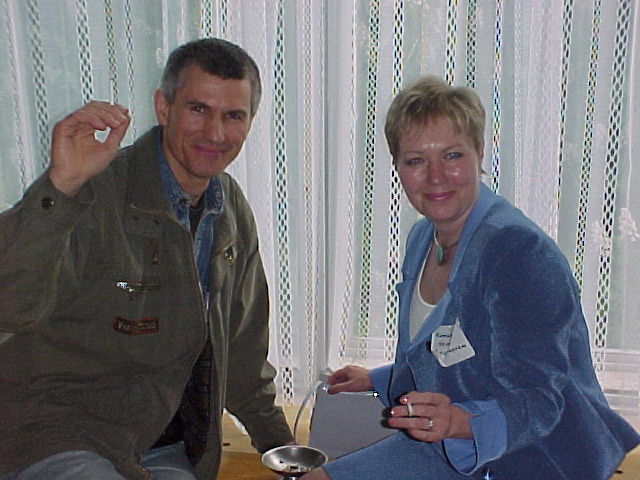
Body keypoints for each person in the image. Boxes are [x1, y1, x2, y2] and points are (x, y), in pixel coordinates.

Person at [301, 76, 640, 479]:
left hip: (530, 459)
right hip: (446, 445)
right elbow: (455, 353)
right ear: (398, 168)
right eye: (416, 160)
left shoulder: (518, 252)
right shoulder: (423, 238)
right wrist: (377, 378)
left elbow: (539, 402)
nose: (436, 176)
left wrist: (459, 421)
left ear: (479, 152)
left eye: (452, 155)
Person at [0, 38, 293, 480]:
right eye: (198, 109)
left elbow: (243, 357)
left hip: (160, 447)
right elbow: (11, 306)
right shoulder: (92, 190)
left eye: (233, 115)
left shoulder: (229, 209)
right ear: (163, 107)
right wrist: (59, 189)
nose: (215, 133)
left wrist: (285, 452)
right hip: (53, 434)